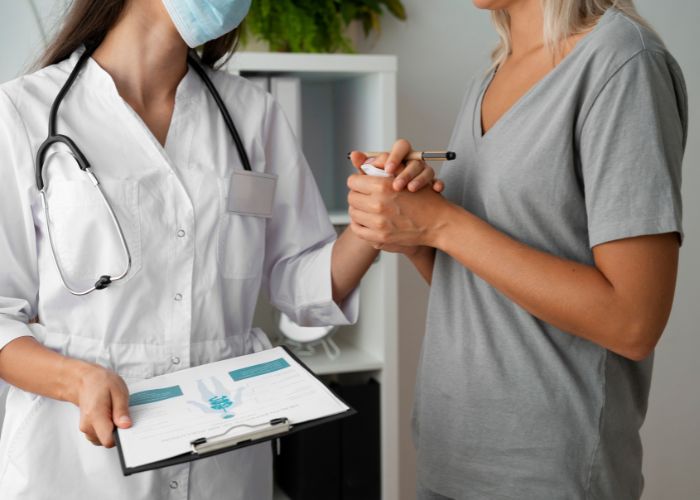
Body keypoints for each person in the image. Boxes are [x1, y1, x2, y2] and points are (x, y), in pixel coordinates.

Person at [0, 0, 441, 498]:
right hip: (79, 461)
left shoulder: (251, 114)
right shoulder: (23, 112)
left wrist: (373, 218)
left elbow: (300, 284)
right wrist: (75, 380)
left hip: (225, 451)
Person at [348, 0, 687, 499]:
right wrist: (415, 230)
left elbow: (633, 323)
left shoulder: (623, 62)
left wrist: (442, 224)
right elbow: (482, 295)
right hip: (449, 456)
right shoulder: (490, 77)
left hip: (548, 472)